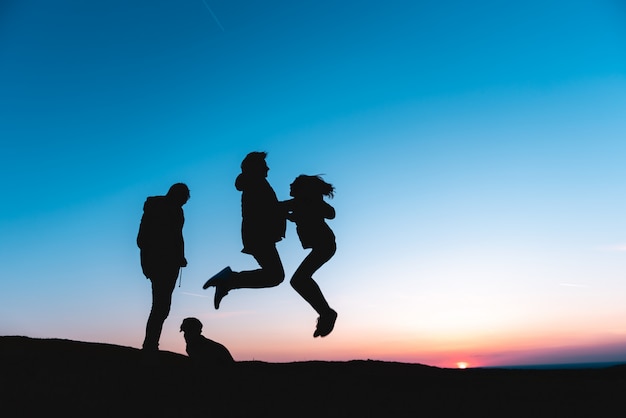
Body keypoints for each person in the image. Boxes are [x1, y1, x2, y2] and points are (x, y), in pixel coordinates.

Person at [203, 151, 286, 309]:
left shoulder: (255, 183)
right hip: (259, 235)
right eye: (264, 165)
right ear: (256, 167)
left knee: (274, 275)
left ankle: (228, 282)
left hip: (258, 234)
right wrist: (296, 204)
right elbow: (268, 209)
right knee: (275, 276)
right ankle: (229, 279)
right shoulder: (257, 183)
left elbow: (269, 209)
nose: (268, 168)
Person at [137, 183, 190, 352]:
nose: (185, 202)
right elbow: (143, 238)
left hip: (167, 263)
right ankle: (150, 345)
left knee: (162, 306)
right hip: (161, 263)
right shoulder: (160, 209)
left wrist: (180, 256)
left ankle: (151, 344)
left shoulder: (175, 210)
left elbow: (177, 236)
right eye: (183, 198)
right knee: (161, 306)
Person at [284, 175, 337, 337]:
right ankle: (325, 313)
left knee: (299, 280)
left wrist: (314, 203)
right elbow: (295, 213)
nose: (290, 185)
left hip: (325, 245)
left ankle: (327, 313)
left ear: (302, 188)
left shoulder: (305, 201)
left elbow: (331, 213)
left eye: (293, 184)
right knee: (300, 280)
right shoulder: (303, 203)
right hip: (323, 246)